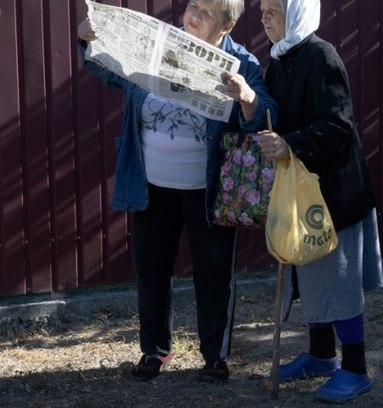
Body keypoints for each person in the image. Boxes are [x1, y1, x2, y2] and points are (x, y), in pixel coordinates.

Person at [77, 0, 278, 383]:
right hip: (150, 182)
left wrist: (246, 97)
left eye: (206, 12)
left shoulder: (243, 63)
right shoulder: (158, 43)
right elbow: (106, 69)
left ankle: (214, 358)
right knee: (151, 270)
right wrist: (88, 40)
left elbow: (268, 114)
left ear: (227, 24)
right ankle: (154, 351)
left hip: (208, 189)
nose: (193, 16)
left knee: (214, 273)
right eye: (192, 5)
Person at [256, 0, 383, 402]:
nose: (264, 18)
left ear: (296, 12)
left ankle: (356, 367)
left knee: (337, 279)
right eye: (262, 9)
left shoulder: (321, 56)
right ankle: (322, 355)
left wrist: (289, 143)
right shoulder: (280, 60)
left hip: (335, 192)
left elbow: (338, 125)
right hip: (303, 189)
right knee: (310, 272)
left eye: (273, 9)